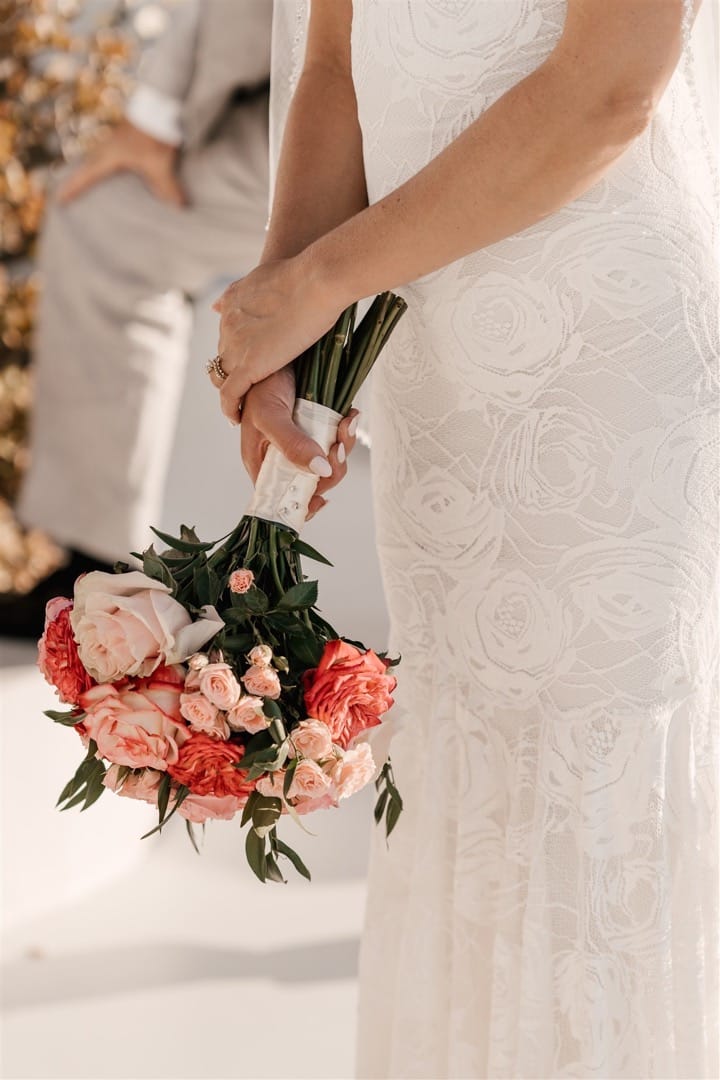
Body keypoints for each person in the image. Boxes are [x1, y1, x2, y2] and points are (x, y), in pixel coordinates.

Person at [210, 0, 719, 1077]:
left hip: (603, 359)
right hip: (433, 358)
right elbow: (335, 64)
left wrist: (316, 284)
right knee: (464, 767)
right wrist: (283, 326)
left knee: (593, 799)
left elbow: (610, 88)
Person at [1, 0, 356, 639]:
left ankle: (89, 562)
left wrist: (156, 117)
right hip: (354, 75)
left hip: (369, 99)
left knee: (106, 219)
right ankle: (91, 563)